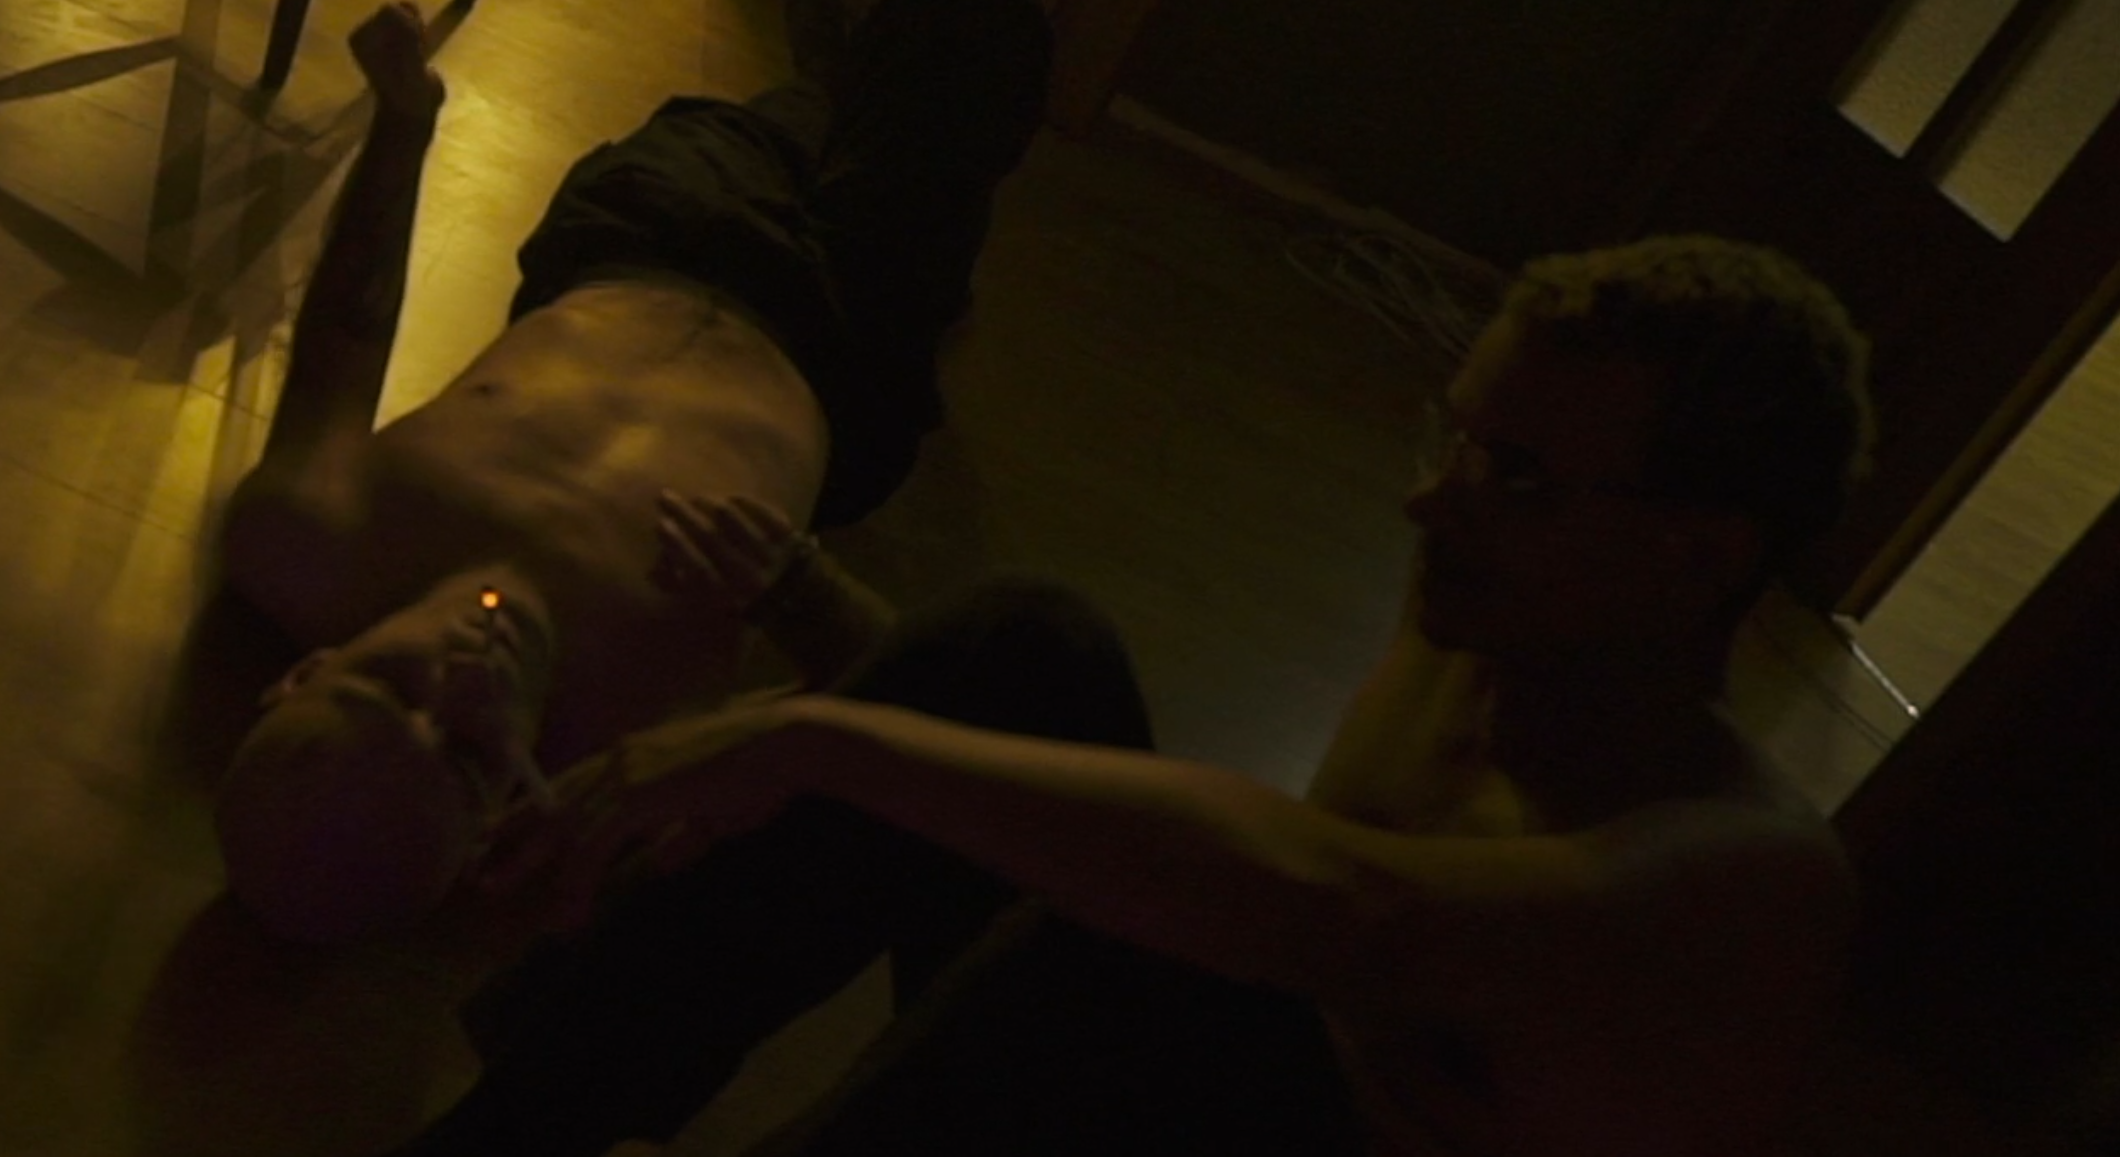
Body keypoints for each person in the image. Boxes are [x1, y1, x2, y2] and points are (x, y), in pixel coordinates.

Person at [399, 234, 1877, 1157]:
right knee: (1025, 652)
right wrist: (819, 645)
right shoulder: (1477, 637)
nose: (1433, 502)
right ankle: (510, 1132)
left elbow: (1350, 918)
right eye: (1457, 439)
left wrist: (815, 739)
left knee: (1169, 960)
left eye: (1519, 478)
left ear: (1695, 553)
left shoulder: (1741, 881)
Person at [215, 0, 1063, 941]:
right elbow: (922, 730)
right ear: (496, 822)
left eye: (394, 687)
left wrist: (404, 125)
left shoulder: (305, 541)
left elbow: (342, 344)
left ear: (305, 674)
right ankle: (849, 83)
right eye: (468, 754)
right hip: (843, 340)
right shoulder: (637, 743)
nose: (464, 674)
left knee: (818, 108)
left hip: (649, 233)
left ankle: (828, 81)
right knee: (979, 22)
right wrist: (809, 599)